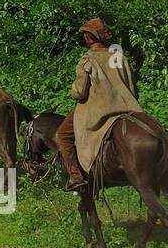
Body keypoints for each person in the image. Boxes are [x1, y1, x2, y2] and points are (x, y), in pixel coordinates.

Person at [56, 17, 144, 192]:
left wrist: (73, 90)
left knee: (62, 135)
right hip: (127, 107)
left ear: (88, 38)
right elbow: (132, 87)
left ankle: (75, 176)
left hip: (98, 108)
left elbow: (79, 92)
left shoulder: (87, 60)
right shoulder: (119, 57)